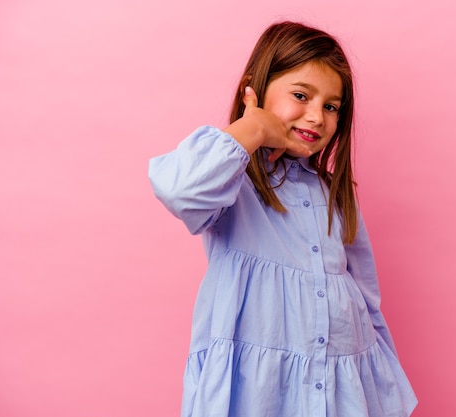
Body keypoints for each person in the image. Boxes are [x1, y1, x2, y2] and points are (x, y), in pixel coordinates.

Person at [148, 21, 417, 417]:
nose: (316, 117)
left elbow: (365, 297)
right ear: (253, 90)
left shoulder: (335, 195)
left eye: (330, 107)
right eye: (300, 95)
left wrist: (385, 389)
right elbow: (180, 189)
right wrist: (252, 127)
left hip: (340, 390)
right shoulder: (232, 180)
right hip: (259, 394)